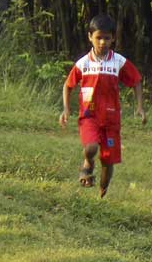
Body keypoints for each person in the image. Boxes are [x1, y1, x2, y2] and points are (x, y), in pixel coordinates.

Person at [59, 14, 146, 198]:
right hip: (89, 116)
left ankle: (102, 194)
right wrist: (66, 109)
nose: (102, 42)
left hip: (111, 120)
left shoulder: (118, 62)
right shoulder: (83, 63)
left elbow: (136, 81)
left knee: (108, 161)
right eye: (98, 37)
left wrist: (139, 107)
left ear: (113, 38)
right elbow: (68, 85)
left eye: (107, 38)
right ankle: (87, 165)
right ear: (90, 37)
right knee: (91, 148)